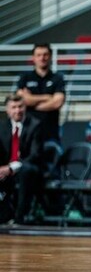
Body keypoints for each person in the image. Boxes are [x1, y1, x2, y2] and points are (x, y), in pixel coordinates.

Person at [0, 94, 44, 225]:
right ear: (7, 110)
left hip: (28, 166)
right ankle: (4, 215)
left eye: (20, 107)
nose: (17, 110)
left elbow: (36, 154)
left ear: (25, 108)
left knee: (26, 170)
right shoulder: (2, 126)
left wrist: (12, 167)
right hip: (6, 167)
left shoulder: (35, 125)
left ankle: (20, 217)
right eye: (13, 107)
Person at [15, 44, 65, 144]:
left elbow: (57, 103)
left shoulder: (57, 78)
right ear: (33, 58)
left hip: (51, 133)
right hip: (28, 132)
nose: (42, 58)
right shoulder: (25, 77)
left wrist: (32, 103)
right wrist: (47, 97)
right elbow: (22, 100)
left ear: (50, 56)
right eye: (38, 55)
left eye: (45, 55)